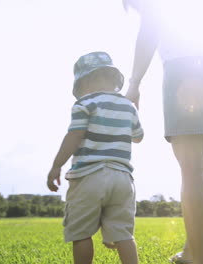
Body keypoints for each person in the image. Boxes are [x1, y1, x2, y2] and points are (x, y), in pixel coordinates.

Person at [123, 1, 203, 263]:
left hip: (190, 66)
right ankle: (190, 252)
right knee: (199, 167)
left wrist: (134, 83)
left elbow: (151, 27)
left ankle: (200, 260)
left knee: (193, 167)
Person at [46, 51, 144, 264]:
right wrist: (134, 110)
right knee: (123, 234)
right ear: (112, 79)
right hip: (123, 178)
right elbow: (138, 137)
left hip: (88, 175)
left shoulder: (85, 103)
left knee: (81, 233)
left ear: (85, 81)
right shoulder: (128, 105)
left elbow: (75, 135)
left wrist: (56, 166)